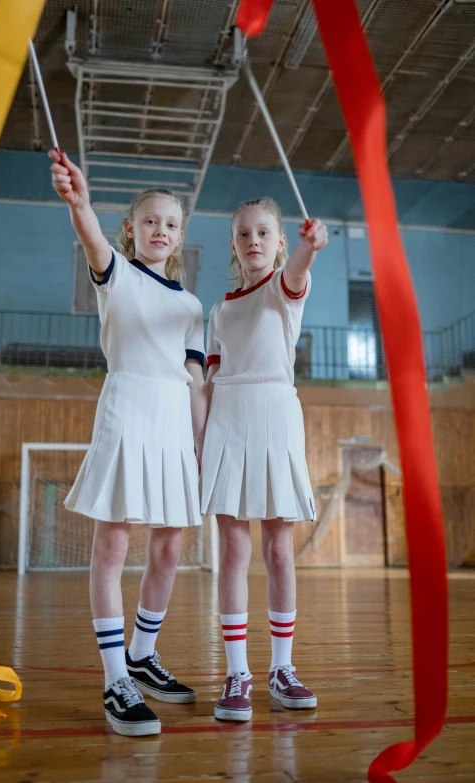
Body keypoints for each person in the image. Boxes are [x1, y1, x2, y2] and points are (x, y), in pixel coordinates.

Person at [50, 149, 207, 736]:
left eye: (170, 223)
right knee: (113, 546)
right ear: (132, 230)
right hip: (127, 410)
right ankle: (116, 678)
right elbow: (90, 237)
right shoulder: (113, 270)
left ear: (181, 236)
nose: (160, 230)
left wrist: (201, 446)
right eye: (150, 221)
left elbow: (195, 382)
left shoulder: (191, 306)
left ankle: (143, 655)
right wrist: (79, 203)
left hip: (173, 423)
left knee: (169, 549)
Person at [201, 197, 328, 721]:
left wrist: (309, 245)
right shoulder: (219, 310)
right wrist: (196, 438)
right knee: (233, 550)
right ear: (234, 245)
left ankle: (282, 668)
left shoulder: (284, 289)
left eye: (264, 234)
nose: (254, 241)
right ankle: (237, 673)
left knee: (278, 549)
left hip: (275, 417)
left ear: (278, 242)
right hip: (227, 419)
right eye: (244, 235)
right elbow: (207, 382)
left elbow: (299, 270)